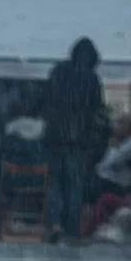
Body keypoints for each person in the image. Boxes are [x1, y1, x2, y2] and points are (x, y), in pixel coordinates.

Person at [42, 37, 107, 244]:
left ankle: (55, 224)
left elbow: (46, 101)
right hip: (79, 142)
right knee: (75, 186)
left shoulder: (58, 72)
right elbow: (97, 111)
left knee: (55, 184)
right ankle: (71, 228)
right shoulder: (92, 79)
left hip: (56, 139)